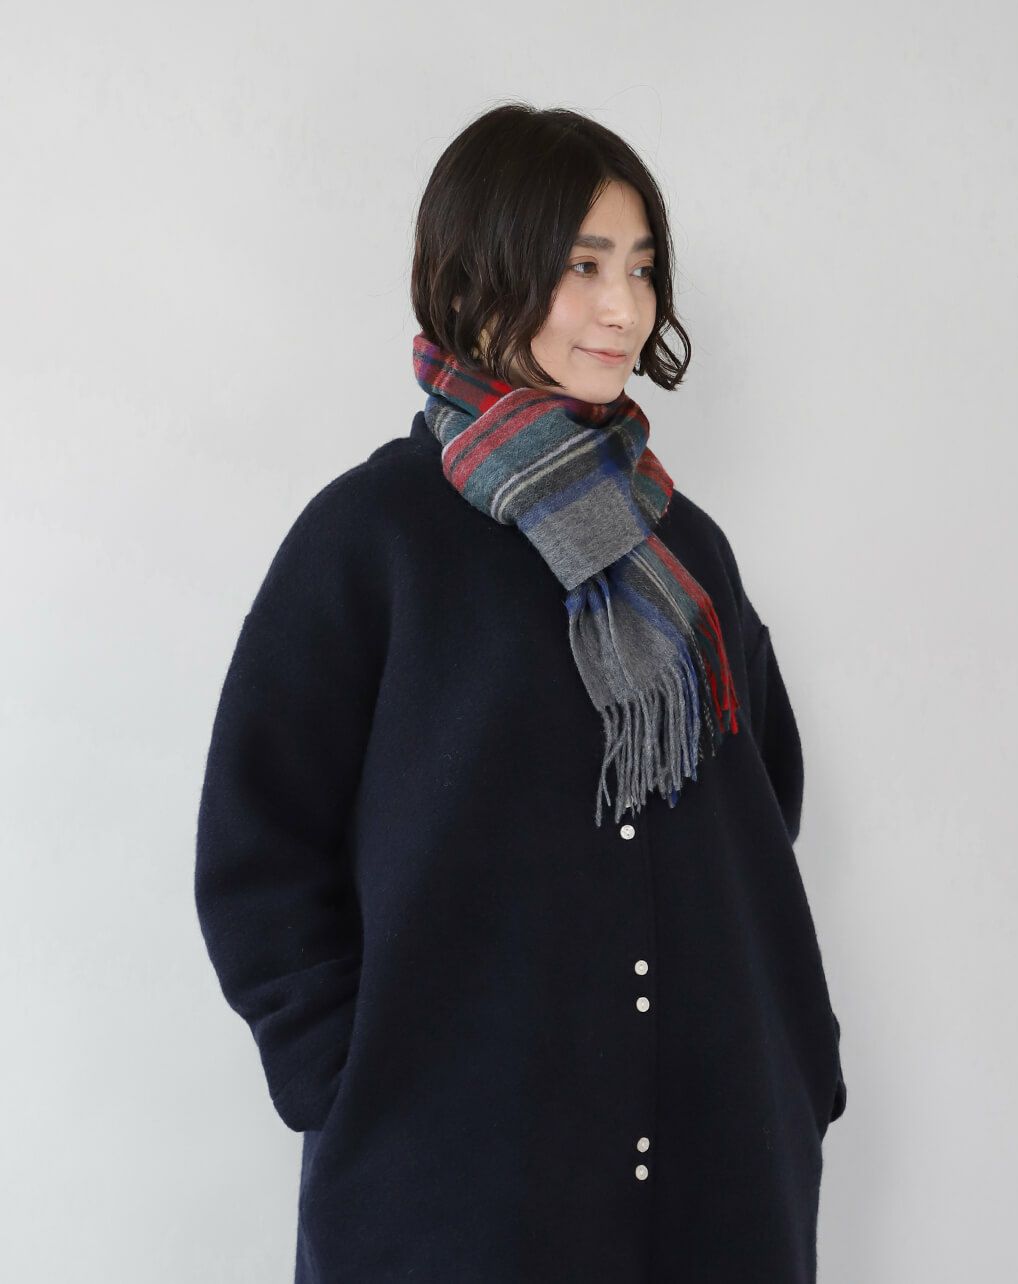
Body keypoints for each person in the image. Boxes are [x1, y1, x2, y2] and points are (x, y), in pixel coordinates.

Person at [194, 101, 847, 1284]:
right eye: (580, 266)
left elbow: (761, 804)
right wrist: (349, 1078)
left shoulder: (681, 545)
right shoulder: (372, 539)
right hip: (456, 1182)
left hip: (716, 1156)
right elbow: (259, 842)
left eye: (639, 269)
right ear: (476, 273)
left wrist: (790, 1055)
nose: (622, 309)